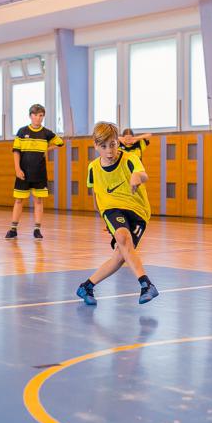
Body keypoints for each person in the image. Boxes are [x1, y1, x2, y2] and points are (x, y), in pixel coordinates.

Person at [76, 121, 158, 306]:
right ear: (95, 146)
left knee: (120, 255)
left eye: (113, 145)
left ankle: (86, 286)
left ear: (118, 142)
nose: (109, 151)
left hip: (138, 211)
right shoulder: (93, 168)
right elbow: (96, 194)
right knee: (122, 237)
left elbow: (143, 174)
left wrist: (137, 176)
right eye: (104, 146)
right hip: (111, 208)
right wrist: (104, 219)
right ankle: (146, 284)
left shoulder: (129, 159)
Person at [6, 104, 63, 240]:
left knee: (38, 201)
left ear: (43, 117)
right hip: (23, 173)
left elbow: (60, 143)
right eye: (35, 115)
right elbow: (16, 152)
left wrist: (46, 148)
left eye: (41, 115)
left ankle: (37, 229)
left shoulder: (47, 133)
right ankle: (13, 229)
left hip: (39, 173)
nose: (38, 118)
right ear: (30, 116)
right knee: (19, 200)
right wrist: (17, 169)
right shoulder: (22, 131)